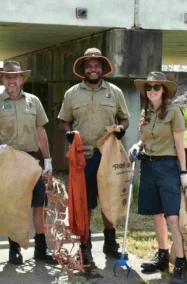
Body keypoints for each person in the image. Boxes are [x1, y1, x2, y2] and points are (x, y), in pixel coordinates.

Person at [57, 48, 130, 266]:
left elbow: (125, 119)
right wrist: (69, 134)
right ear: (83, 70)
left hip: (107, 157)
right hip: (83, 158)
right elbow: (64, 121)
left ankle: (110, 242)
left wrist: (121, 129)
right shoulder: (72, 93)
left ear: (102, 68)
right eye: (89, 66)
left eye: (97, 65)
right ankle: (85, 246)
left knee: (108, 199)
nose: (93, 69)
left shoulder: (115, 92)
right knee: (84, 203)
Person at [0, 60, 55, 265]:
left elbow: (41, 131)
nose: (11, 80)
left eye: (15, 76)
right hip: (9, 161)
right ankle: (14, 250)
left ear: (22, 79)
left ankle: (41, 248)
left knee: (39, 203)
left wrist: (47, 159)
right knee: (12, 205)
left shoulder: (33, 101)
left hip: (31, 160)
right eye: (7, 76)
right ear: (2, 79)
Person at [128, 71, 187, 284]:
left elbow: (181, 146)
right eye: (149, 87)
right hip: (149, 166)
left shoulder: (174, 112)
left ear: (164, 90)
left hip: (168, 167)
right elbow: (144, 139)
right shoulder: (146, 112)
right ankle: (163, 256)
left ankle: (181, 262)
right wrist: (136, 146)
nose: (152, 90)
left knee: (172, 217)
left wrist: (183, 173)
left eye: (156, 87)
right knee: (157, 214)